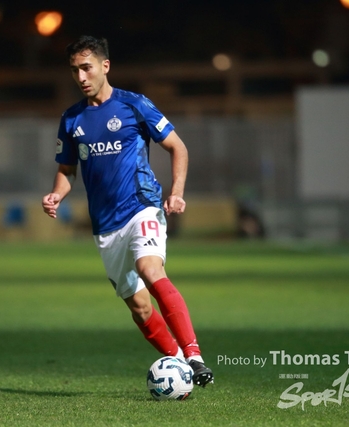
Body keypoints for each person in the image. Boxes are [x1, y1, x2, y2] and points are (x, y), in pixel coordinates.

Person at [41, 35, 214, 387]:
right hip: (105, 226)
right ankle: (178, 363)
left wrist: (176, 192)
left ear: (105, 66)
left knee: (150, 269)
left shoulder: (134, 105)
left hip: (142, 207)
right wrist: (57, 194)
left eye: (87, 68)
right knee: (139, 307)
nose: (81, 77)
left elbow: (177, 147)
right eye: (74, 70)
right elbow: (67, 170)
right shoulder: (71, 119)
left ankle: (194, 356)